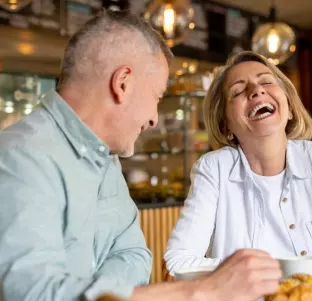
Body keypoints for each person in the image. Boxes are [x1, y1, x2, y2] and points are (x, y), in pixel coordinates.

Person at [0, 10, 282, 301]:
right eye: (156, 97)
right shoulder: (18, 156)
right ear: (122, 83)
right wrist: (202, 291)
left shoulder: (105, 159)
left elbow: (133, 254)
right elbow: (31, 293)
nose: (154, 120)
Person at [164, 51, 312, 299]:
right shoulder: (213, 169)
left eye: (266, 81)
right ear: (225, 126)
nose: (256, 91)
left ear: (290, 107)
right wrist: (247, 273)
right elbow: (178, 263)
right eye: (238, 91)